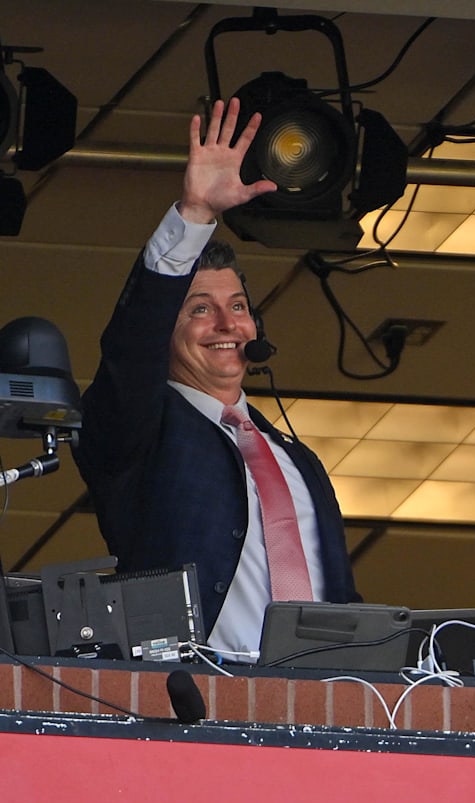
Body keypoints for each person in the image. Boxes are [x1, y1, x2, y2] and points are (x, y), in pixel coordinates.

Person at [75, 98, 359, 661]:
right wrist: (195, 213)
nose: (228, 324)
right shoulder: (140, 427)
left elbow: (338, 596)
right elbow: (130, 349)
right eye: (201, 309)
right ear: (168, 329)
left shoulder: (295, 457)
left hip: (319, 703)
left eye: (238, 306)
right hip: (197, 699)